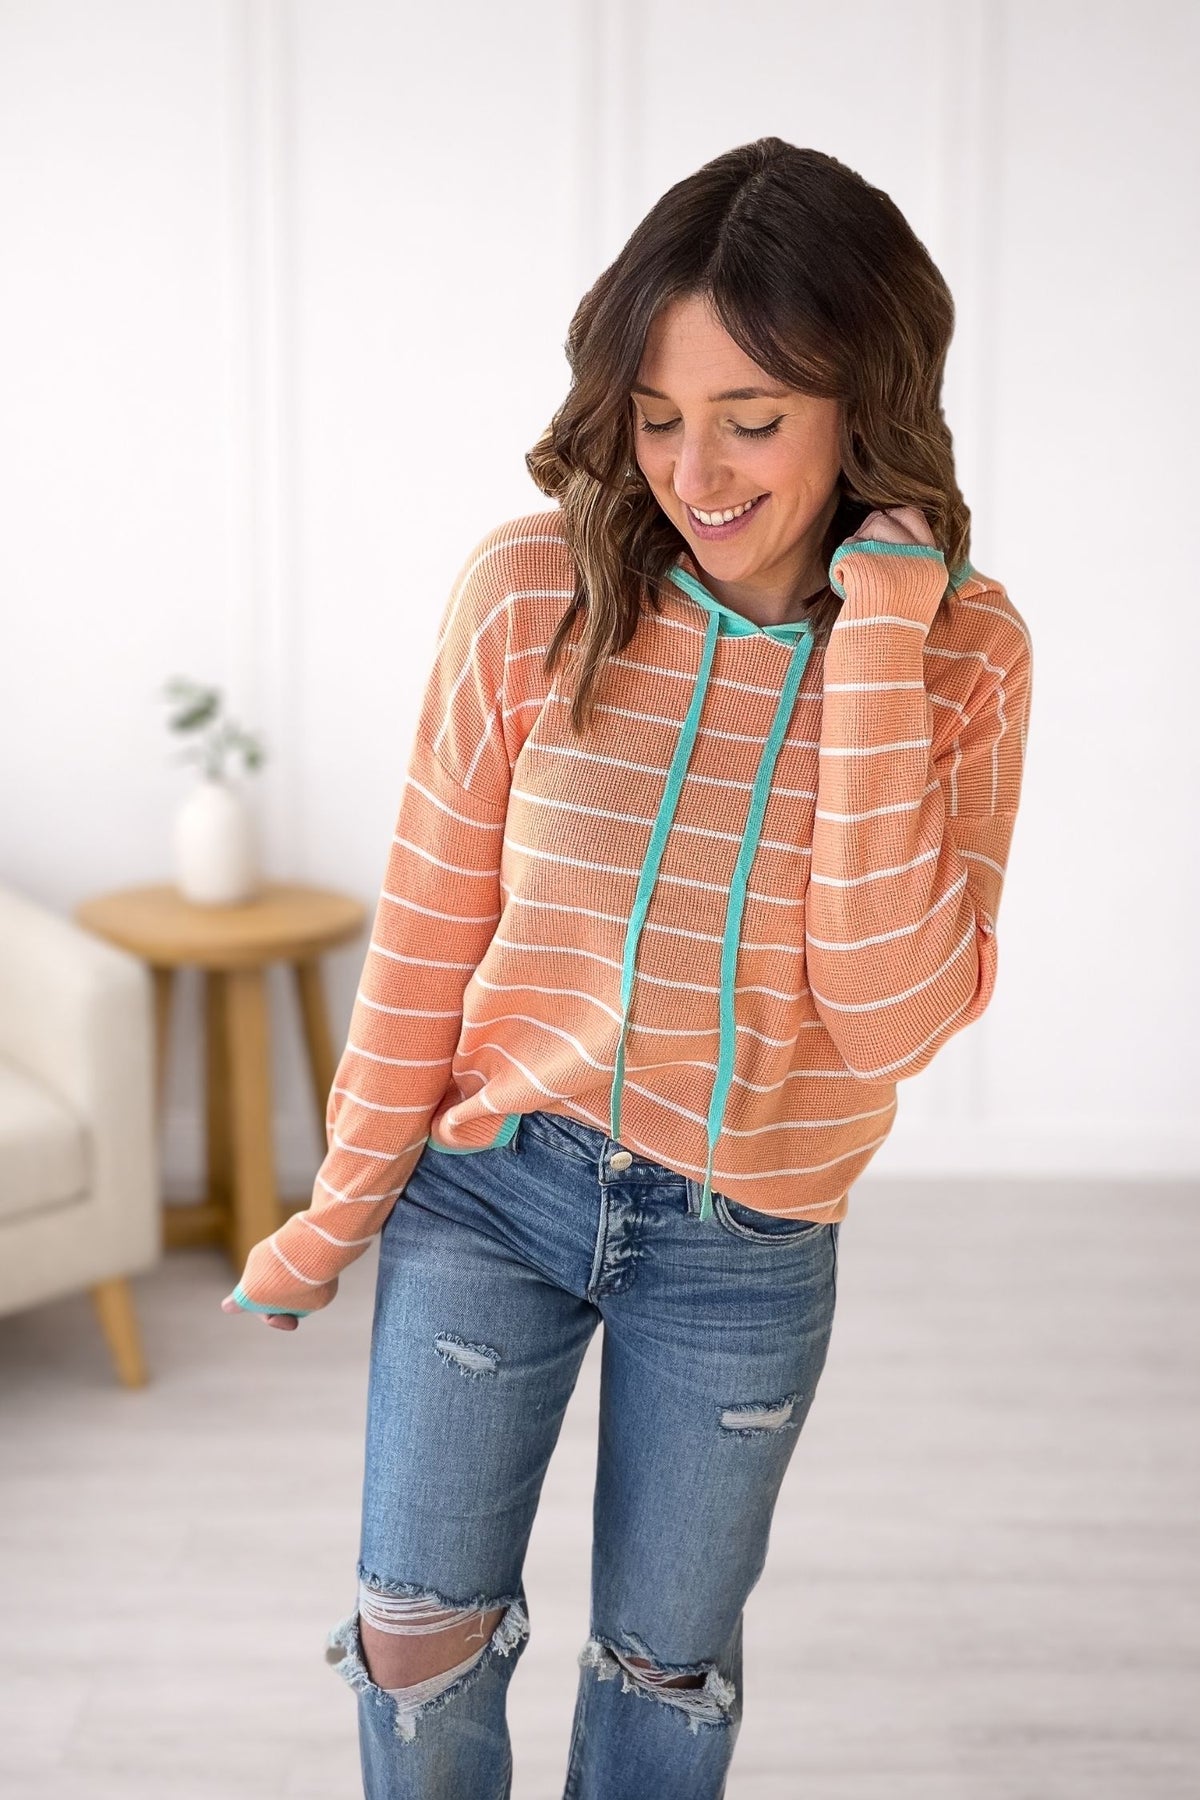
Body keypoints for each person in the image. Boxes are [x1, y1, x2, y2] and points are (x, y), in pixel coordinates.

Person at [221, 136, 1032, 1798]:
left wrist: (876, 636)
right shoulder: (537, 591)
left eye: (754, 418)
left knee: (667, 1682)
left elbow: (890, 1014)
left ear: (864, 402)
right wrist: (344, 1200)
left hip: (747, 1241)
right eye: (660, 417)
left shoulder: (965, 652)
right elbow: (430, 927)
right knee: (412, 1630)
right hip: (496, 1190)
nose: (696, 471)